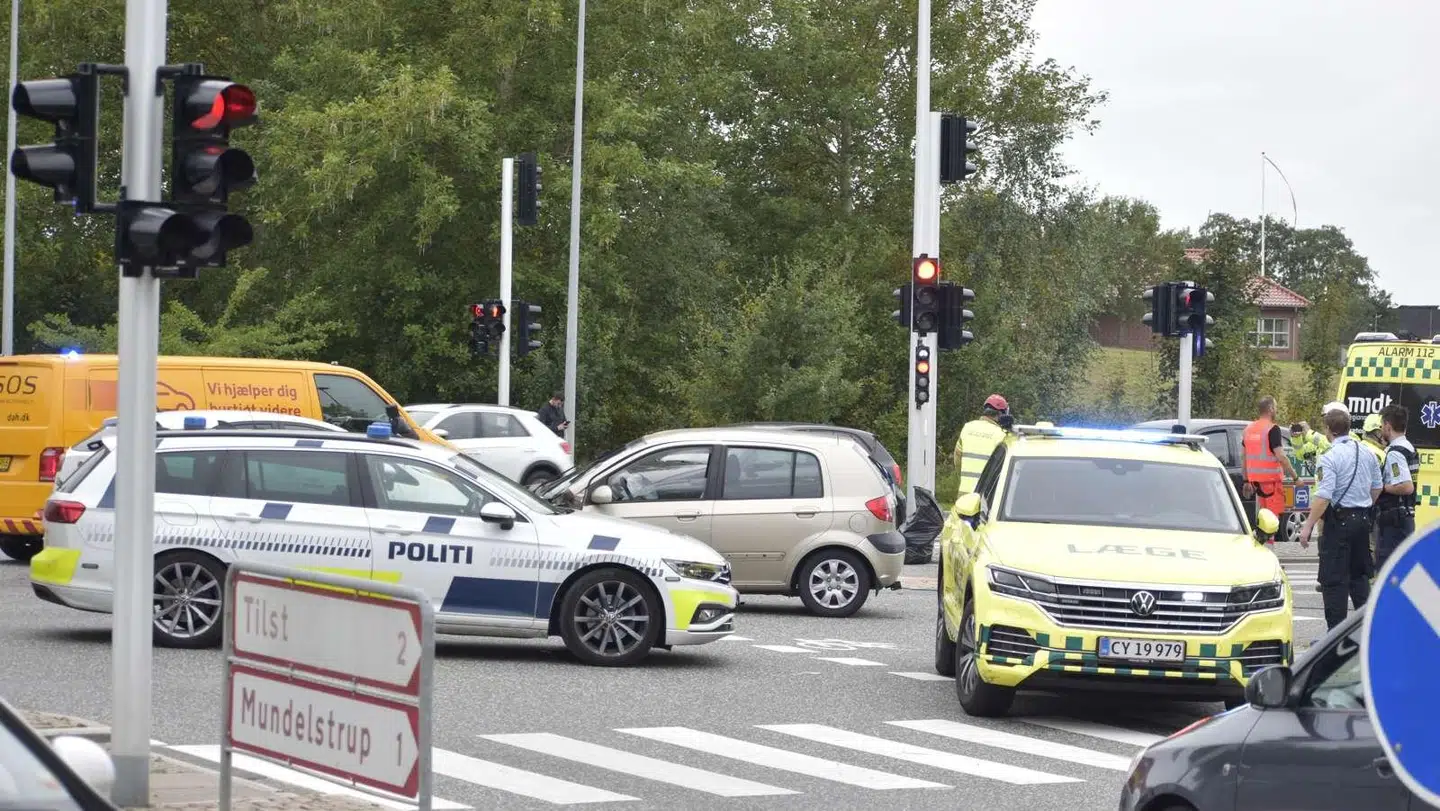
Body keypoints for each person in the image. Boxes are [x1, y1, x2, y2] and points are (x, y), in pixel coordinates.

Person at [1299, 407, 1382, 630]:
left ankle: (1335, 637)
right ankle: (1367, 630)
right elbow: (1377, 487)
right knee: (1359, 578)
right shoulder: (1367, 452)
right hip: (1362, 523)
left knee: (1334, 581)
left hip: (1339, 524)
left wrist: (1307, 526)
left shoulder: (1329, 457)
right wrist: (1363, 506)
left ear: (1328, 430)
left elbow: (1324, 495)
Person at [1242, 396, 1298, 528]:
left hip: (1254, 483)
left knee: (1261, 519)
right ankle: (1269, 546)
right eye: (1276, 407)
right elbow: (1281, 457)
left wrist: (1245, 480)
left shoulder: (1248, 429)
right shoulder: (1272, 429)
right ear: (1271, 409)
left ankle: (1262, 544)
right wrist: (1295, 477)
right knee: (1271, 521)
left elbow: (1243, 456)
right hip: (1271, 483)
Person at [1375, 404, 1419, 571]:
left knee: (1388, 571)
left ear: (1388, 426)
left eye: (1381, 426)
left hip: (1395, 522)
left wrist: (1383, 488)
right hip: (1405, 518)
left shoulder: (1395, 453)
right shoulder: (1410, 448)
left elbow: (1406, 486)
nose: (1381, 430)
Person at [953, 394, 1009, 495]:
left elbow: (957, 460)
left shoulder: (967, 428)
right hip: (986, 495)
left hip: (964, 492)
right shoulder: (1001, 435)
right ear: (1001, 414)